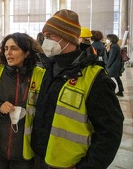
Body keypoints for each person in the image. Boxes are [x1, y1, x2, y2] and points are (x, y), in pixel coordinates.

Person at [31, 9, 124, 169]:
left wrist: (87, 166)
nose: (46, 41)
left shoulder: (95, 78)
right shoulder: (50, 68)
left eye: (50, 36)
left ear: (68, 38)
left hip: (69, 164)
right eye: (44, 36)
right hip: (41, 157)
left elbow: (110, 132)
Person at [0, 33, 44, 169]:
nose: (8, 53)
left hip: (26, 147)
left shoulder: (40, 75)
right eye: (6, 49)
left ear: (27, 52)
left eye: (14, 48)